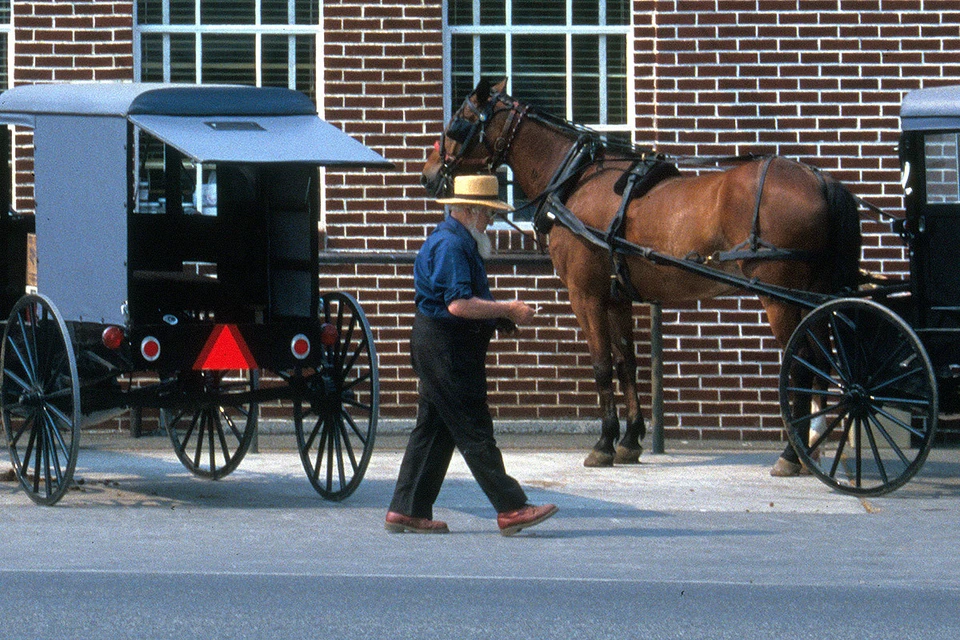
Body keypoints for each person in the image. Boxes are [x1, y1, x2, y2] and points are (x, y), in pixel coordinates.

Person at [386, 174, 558, 536]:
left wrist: (499, 316)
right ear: (469, 210)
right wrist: (508, 309)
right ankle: (511, 508)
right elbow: (459, 305)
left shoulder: (455, 242)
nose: (491, 220)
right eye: (488, 213)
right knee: (474, 429)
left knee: (434, 429)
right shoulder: (452, 245)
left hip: (439, 346)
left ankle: (407, 509)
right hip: (447, 350)